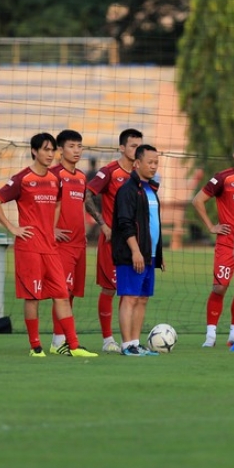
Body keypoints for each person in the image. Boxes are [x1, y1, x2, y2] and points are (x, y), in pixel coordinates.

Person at [0, 133, 97, 358]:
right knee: (33, 297)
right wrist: (13, 228)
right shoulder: (22, 178)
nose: (49, 154)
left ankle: (73, 346)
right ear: (34, 151)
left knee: (62, 295)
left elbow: (57, 204)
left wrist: (51, 229)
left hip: (50, 248)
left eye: (52, 150)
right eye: (45, 150)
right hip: (29, 248)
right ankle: (35, 346)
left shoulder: (55, 179)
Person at [190, 135, 234, 348]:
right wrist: (211, 226)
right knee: (220, 287)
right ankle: (210, 335)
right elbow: (197, 200)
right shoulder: (223, 178)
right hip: (227, 242)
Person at [86, 128, 143, 353]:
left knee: (131, 292)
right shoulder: (109, 172)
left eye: (139, 146)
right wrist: (102, 224)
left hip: (137, 243)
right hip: (113, 242)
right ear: (122, 147)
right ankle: (108, 339)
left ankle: (129, 340)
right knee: (110, 289)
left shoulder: (141, 173)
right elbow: (87, 195)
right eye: (132, 146)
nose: (136, 150)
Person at [112, 144, 165, 356]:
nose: (153, 166)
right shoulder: (127, 190)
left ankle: (135, 342)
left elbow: (153, 224)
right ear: (137, 163)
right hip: (131, 256)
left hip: (149, 255)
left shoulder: (151, 190)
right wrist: (135, 251)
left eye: (156, 163)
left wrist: (157, 254)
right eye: (150, 162)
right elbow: (125, 223)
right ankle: (126, 345)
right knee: (129, 297)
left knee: (142, 299)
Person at [48, 129, 90, 354]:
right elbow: (46, 205)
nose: (76, 151)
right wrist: (50, 229)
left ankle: (63, 336)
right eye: (72, 146)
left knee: (71, 292)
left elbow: (80, 206)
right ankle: (57, 341)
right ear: (61, 150)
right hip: (61, 245)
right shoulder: (54, 175)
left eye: (79, 146)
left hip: (78, 243)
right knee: (61, 291)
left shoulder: (82, 177)